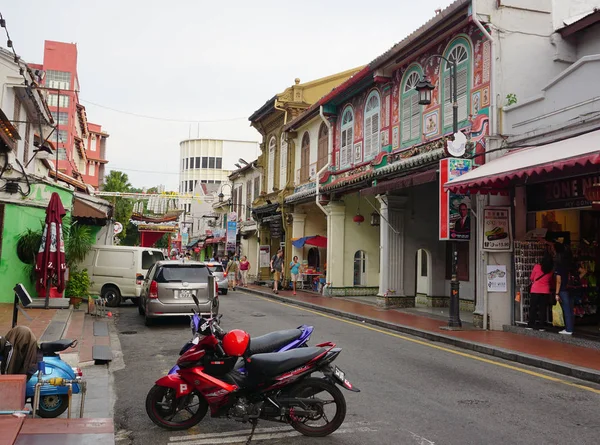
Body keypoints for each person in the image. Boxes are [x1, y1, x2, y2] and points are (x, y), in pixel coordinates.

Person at [528, 252, 554, 330]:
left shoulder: (537, 267)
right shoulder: (550, 270)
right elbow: (550, 280)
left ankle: (531, 324)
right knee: (543, 309)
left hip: (535, 290)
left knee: (533, 307)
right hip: (545, 291)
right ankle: (541, 325)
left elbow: (531, 278)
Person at [554, 243, 574, 335]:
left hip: (563, 290)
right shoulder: (570, 265)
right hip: (571, 288)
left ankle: (568, 329)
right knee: (570, 309)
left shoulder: (559, 267)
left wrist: (556, 293)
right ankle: (570, 327)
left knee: (566, 309)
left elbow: (558, 281)